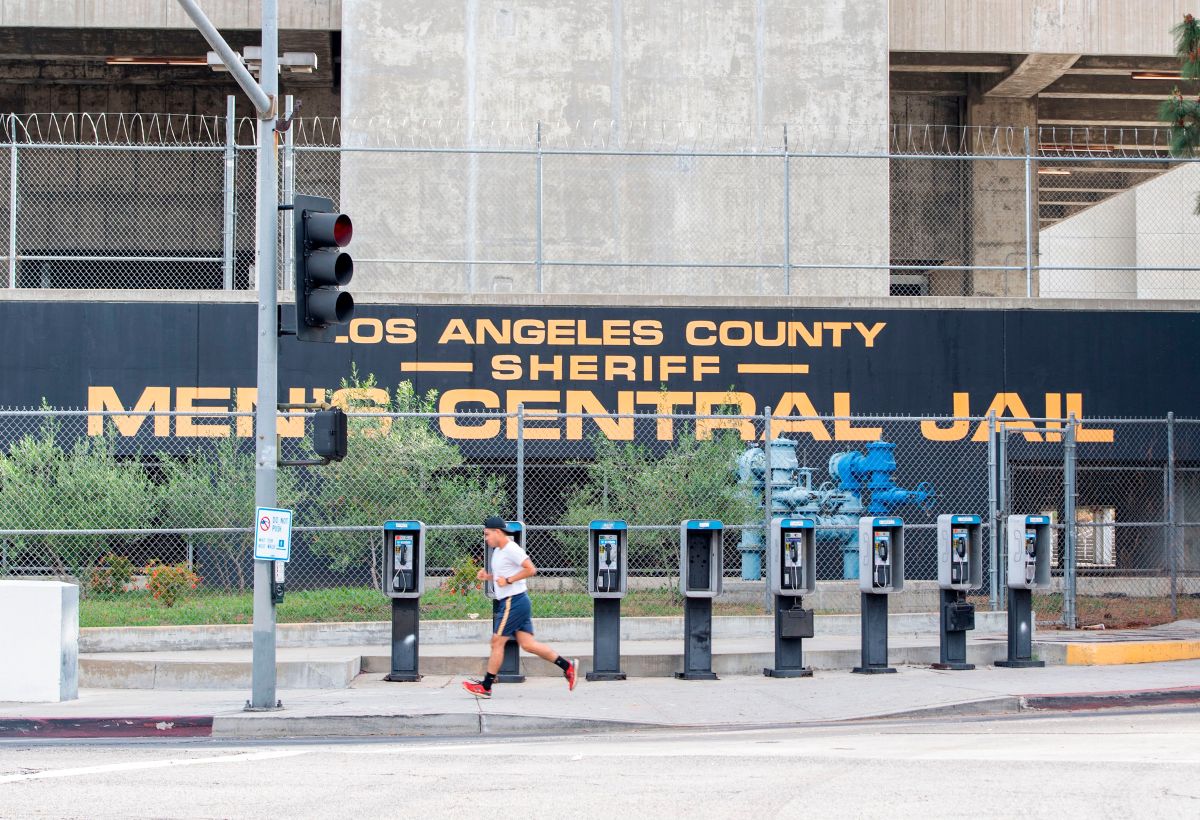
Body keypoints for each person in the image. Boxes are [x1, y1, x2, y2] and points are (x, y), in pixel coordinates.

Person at [462, 516, 578, 698]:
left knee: (497, 642)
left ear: (498, 532)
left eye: (487, 534)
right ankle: (567, 666)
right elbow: (505, 574)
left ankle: (486, 686)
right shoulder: (499, 551)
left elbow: (530, 569)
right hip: (517, 600)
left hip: (512, 601)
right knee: (528, 645)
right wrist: (489, 578)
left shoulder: (510, 549)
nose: (486, 539)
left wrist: (508, 580)